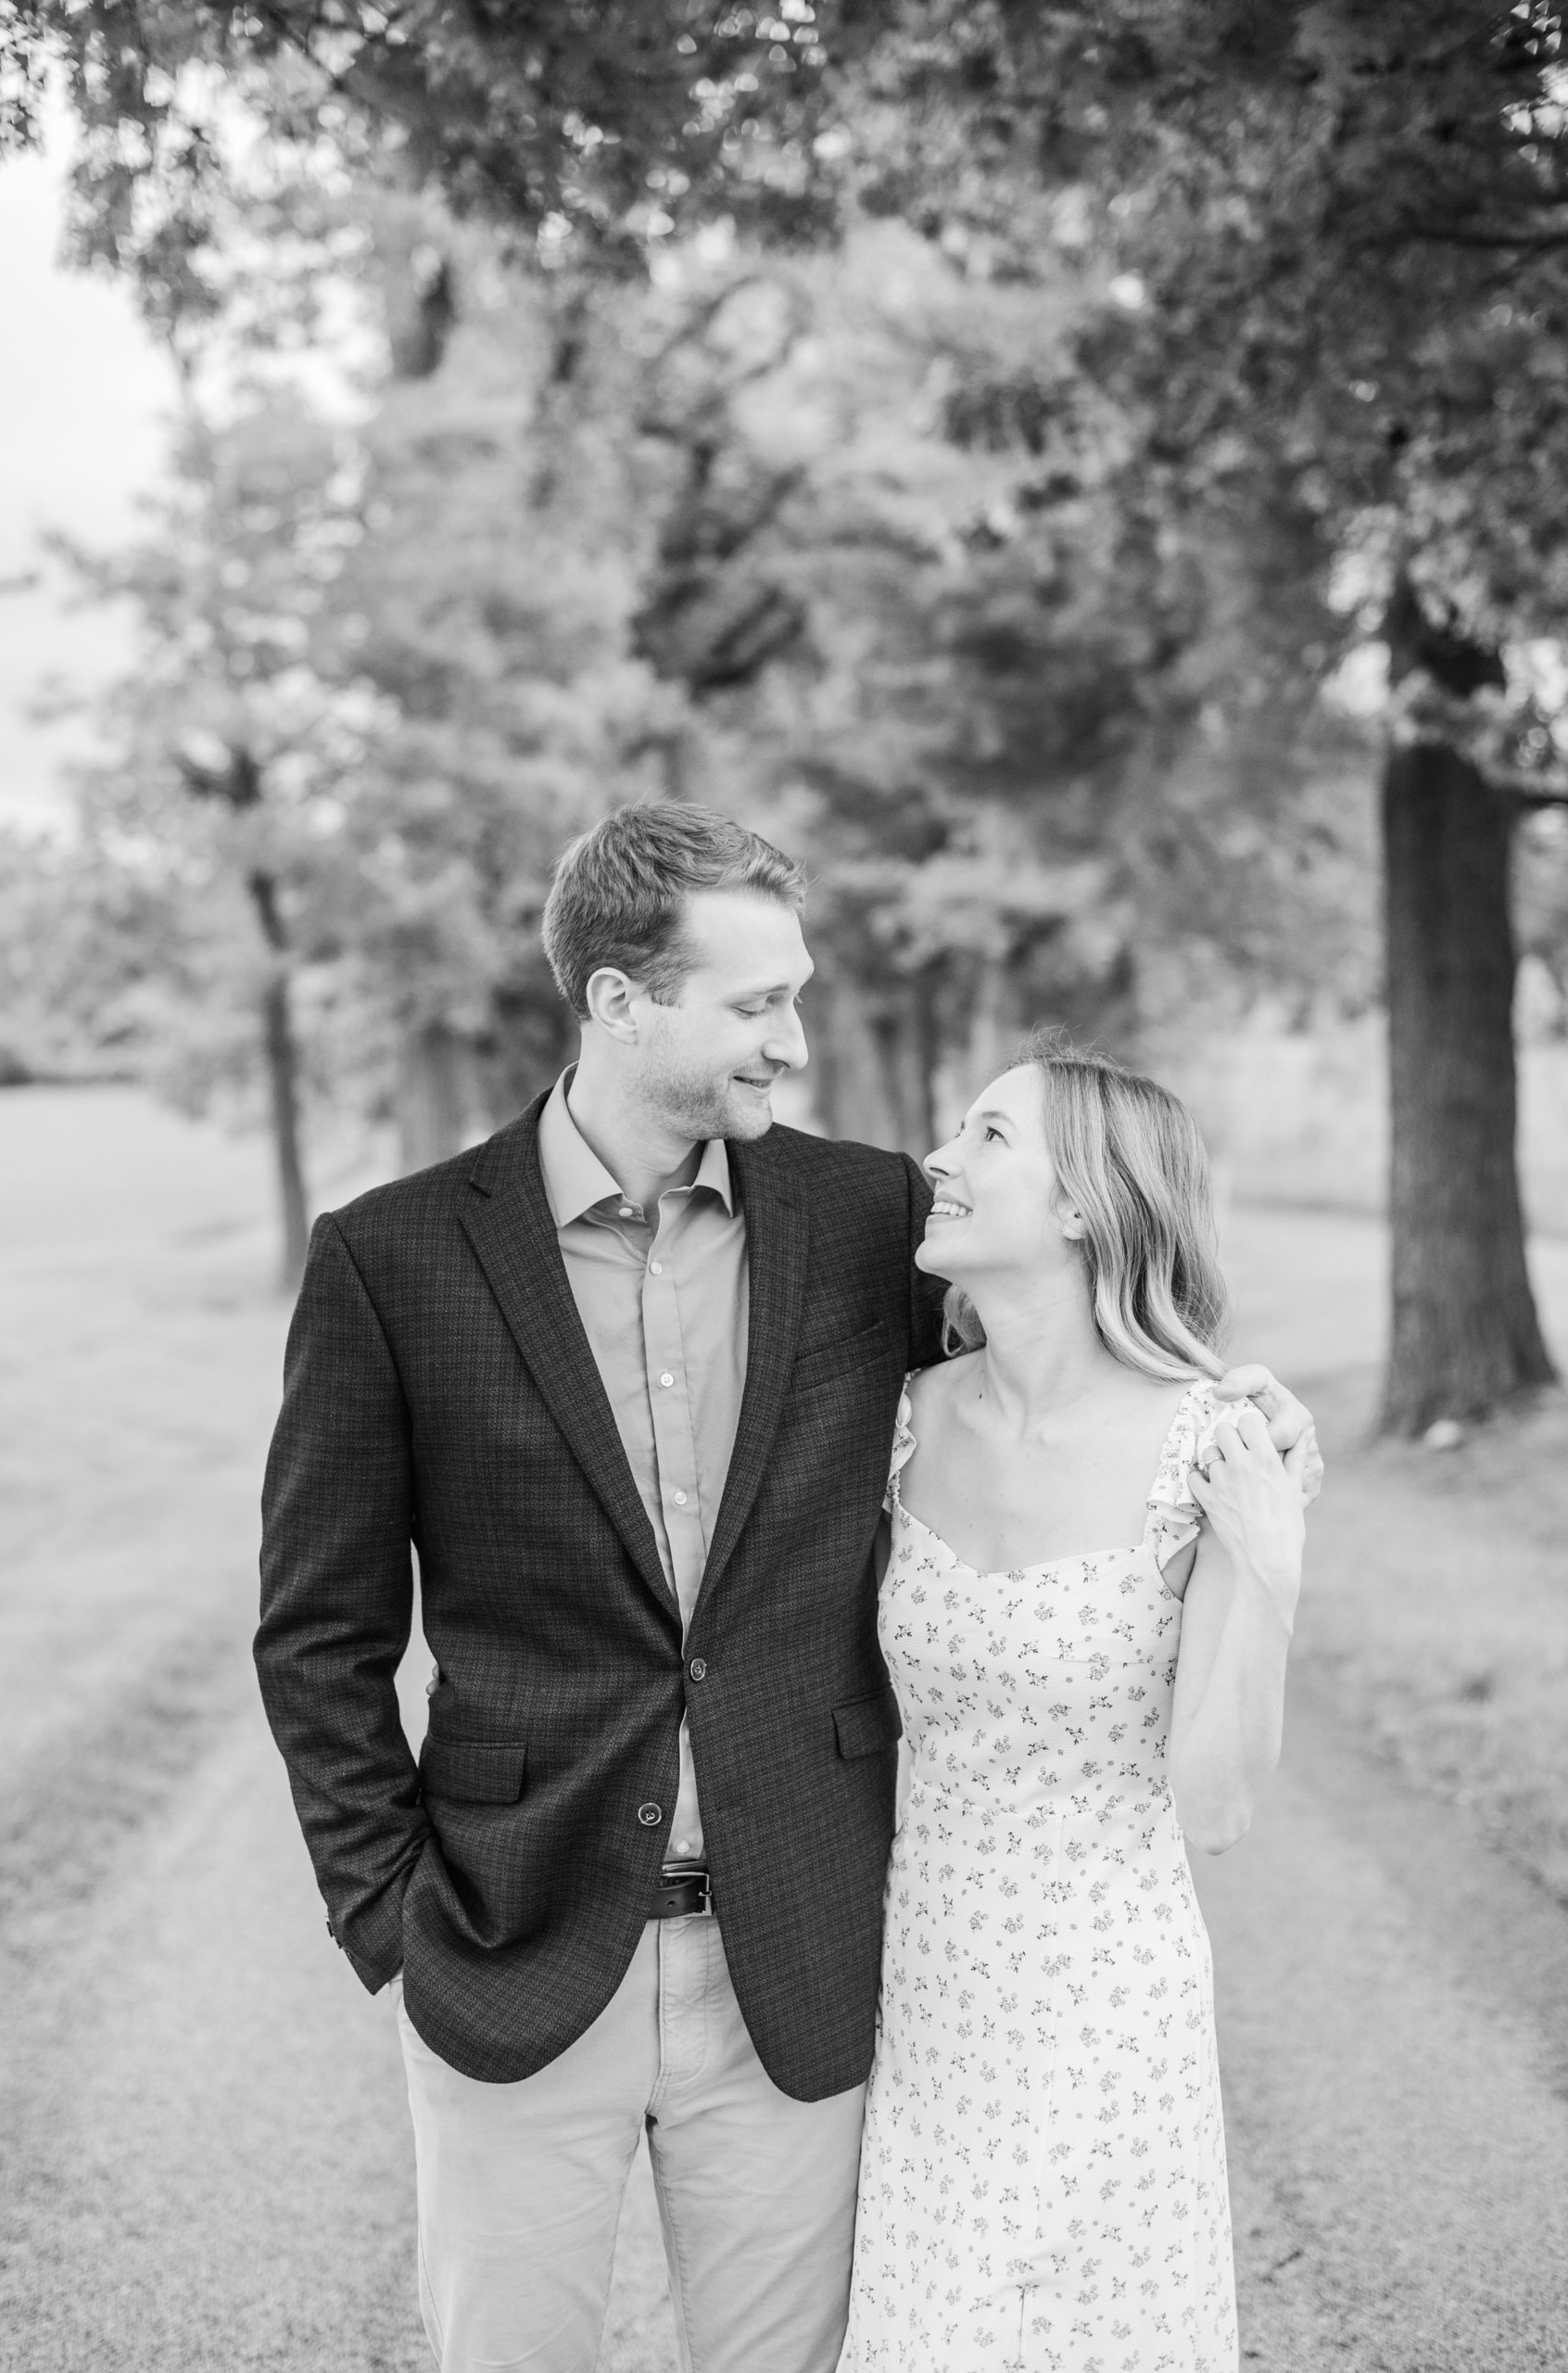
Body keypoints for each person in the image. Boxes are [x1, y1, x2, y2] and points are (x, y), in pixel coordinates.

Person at [254, 804, 1317, 2373]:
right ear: (622, 1001)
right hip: (511, 1943)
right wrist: (392, 1917)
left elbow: (1059, 1345)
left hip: (801, 1965)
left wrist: (1238, 1414)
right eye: (758, 1005)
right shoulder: (392, 1259)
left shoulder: (867, 1218)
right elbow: (318, 1635)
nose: (794, 1043)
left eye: (797, 996)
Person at [839, 1043, 1309, 2373]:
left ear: (1084, 1203)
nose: (941, 1158)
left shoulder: (1210, 1444)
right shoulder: (900, 1424)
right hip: (923, 1991)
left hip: (1109, 2008)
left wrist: (1267, 1567)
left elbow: (1216, 1806)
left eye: (990, 1135)